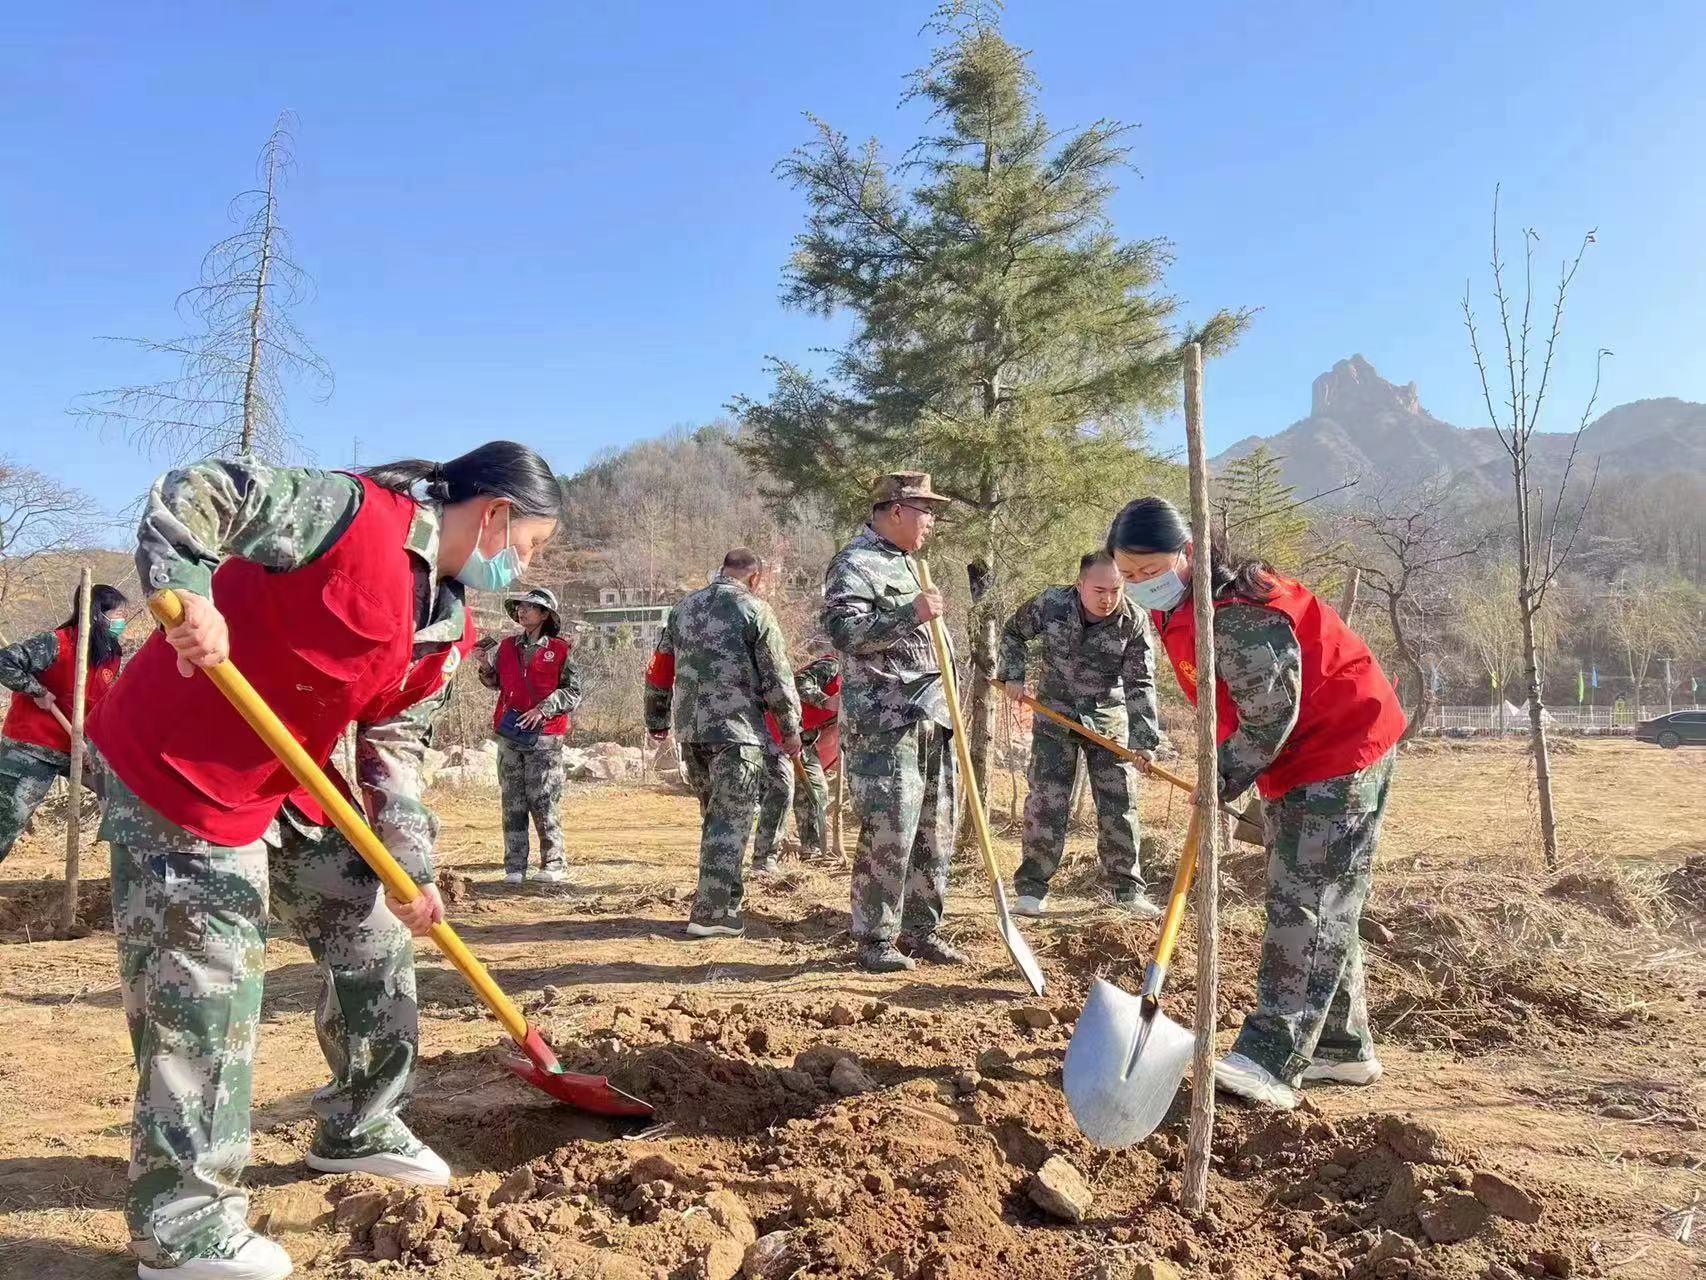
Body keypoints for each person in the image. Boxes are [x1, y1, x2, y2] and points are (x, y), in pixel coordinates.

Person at [87, 444, 562, 1280]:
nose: (519, 564)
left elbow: (395, 738)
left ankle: (359, 1124)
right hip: (178, 768)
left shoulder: (448, 625)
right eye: (526, 544)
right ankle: (182, 1220)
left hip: (286, 781)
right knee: (210, 980)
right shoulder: (346, 516)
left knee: (375, 927)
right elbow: (203, 491)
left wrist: (408, 864)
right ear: (492, 513)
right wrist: (187, 593)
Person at [1107, 496, 1406, 1112]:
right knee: (1321, 893)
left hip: (1338, 748)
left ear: (1188, 554)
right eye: (1128, 574)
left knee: (1306, 900)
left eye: (1150, 570)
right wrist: (1218, 771)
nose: (1140, 586)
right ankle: (1341, 1048)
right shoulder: (1184, 608)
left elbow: (1270, 716)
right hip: (1296, 758)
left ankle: (1272, 1057)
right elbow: (1229, 703)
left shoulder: (1239, 614)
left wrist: (1217, 782)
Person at [822, 472, 967, 974]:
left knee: (935, 828)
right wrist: (911, 613)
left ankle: (922, 930)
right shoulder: (854, 564)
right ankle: (875, 938)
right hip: (887, 723)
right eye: (925, 510)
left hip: (933, 716)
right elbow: (846, 632)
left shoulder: (909, 565)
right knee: (891, 829)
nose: (931, 521)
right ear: (898, 509)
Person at [644, 548, 801, 938]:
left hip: (693, 732)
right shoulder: (755, 610)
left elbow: (660, 668)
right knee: (730, 824)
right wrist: (791, 729)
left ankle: (726, 902)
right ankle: (711, 914)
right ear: (755, 578)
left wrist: (657, 719)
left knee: (716, 820)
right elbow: (777, 678)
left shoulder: (682, 609)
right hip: (737, 733)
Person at [996, 551, 1162, 918]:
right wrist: (1014, 674)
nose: (1107, 598)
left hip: (1108, 722)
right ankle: (1032, 890)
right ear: (1080, 585)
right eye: (1099, 589)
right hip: (1054, 717)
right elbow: (1013, 631)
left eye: (1116, 590)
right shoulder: (1051, 603)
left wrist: (1145, 741)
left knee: (1119, 806)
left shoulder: (1132, 621)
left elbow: (1141, 682)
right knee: (1046, 802)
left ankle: (1125, 892)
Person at [0, 582, 129, 863]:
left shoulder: (110, 655)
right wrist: (37, 691)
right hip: (31, 748)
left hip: (76, 747)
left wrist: (93, 746)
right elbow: (4, 661)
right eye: (116, 613)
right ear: (97, 614)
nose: (121, 621)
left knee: (125, 793)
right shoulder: (57, 642)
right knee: (6, 821)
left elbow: (97, 706)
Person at [477, 586, 582, 885]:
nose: (523, 611)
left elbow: (574, 692)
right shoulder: (508, 647)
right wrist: (485, 664)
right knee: (512, 800)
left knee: (544, 798)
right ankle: (514, 867)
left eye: (531, 607)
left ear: (545, 614)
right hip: (510, 732)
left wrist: (543, 709)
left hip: (545, 736)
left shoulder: (561, 649)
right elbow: (495, 683)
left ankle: (553, 863)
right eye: (520, 606)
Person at [753, 646, 841, 870]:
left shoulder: (870, 684)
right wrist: (825, 701)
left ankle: (812, 852)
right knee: (782, 790)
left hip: (805, 739)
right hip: (775, 728)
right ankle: (764, 859)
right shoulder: (833, 666)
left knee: (816, 791)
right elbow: (798, 683)